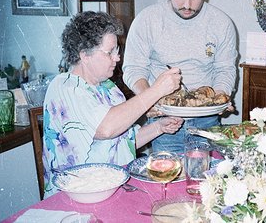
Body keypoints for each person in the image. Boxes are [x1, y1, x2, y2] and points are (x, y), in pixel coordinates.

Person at [42, 11, 184, 198]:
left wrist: (159, 128)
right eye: (110, 52)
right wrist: (156, 90)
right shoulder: (66, 87)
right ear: (85, 55)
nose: (117, 58)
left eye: (117, 51)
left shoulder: (109, 88)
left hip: (114, 189)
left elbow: (125, 141)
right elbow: (106, 128)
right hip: (75, 197)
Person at [122, 0, 238, 153]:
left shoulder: (222, 23)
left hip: (207, 119)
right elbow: (133, 69)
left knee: (206, 178)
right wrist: (147, 100)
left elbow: (225, 69)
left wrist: (221, 96)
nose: (187, 5)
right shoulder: (147, 20)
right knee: (167, 176)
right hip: (163, 119)